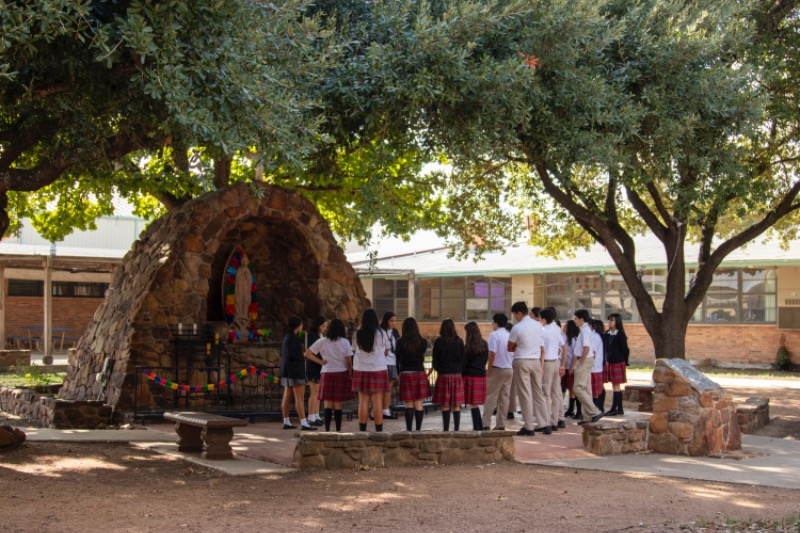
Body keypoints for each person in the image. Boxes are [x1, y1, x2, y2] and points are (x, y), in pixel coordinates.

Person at [305, 318, 352, 432]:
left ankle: (327, 429)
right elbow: (348, 361)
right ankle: (338, 429)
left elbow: (307, 353)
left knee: (327, 402)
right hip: (341, 373)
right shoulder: (345, 342)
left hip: (326, 373)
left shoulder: (322, 341)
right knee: (338, 402)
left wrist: (321, 362)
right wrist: (350, 373)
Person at [508, 301, 548, 436]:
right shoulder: (538, 325)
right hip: (535, 360)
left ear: (519, 313)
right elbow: (541, 346)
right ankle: (544, 423)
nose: (515, 317)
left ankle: (529, 426)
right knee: (538, 392)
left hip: (522, 360)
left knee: (525, 394)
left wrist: (519, 345)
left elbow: (510, 347)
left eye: (515, 314)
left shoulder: (517, 327)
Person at [351, 308, 389, 432]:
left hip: (360, 368)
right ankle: (379, 430)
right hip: (378, 368)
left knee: (363, 400)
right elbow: (387, 349)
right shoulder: (382, 333)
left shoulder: (357, 333)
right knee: (377, 401)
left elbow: (354, 349)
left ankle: (362, 430)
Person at [279, 316, 315, 430]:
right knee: (299, 397)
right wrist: (303, 356)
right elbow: (294, 355)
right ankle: (304, 422)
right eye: (301, 324)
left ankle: (286, 420)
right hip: (295, 370)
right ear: (297, 325)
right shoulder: (294, 338)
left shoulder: (286, 337)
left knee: (287, 396)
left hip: (286, 370)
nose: (302, 326)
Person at [396, 317, 431, 431]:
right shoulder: (423, 342)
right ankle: (418, 429)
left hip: (406, 373)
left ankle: (409, 429)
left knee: (408, 403)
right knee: (419, 402)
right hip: (419, 372)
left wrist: (398, 373)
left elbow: (397, 358)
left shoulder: (400, 342)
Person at [432, 318, 465, 431]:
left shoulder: (439, 342)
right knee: (456, 405)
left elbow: (435, 360)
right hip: (456, 374)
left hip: (443, 375)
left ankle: (446, 429)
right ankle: (457, 429)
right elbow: (463, 358)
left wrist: (439, 369)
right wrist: (459, 370)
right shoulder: (459, 341)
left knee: (445, 404)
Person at [481, 313, 513, 430]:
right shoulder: (510, 335)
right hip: (509, 369)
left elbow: (492, 353)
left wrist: (489, 369)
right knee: (504, 398)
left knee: (490, 397)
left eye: (493, 322)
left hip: (497, 369)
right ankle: (501, 424)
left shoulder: (494, 335)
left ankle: (486, 423)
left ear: (496, 323)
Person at [572, 309, 603, 424]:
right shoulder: (586, 330)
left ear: (581, 319)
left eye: (576, 318)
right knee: (586, 389)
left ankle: (594, 411)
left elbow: (587, 348)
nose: (575, 321)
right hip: (588, 360)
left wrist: (581, 362)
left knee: (578, 388)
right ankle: (588, 416)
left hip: (584, 360)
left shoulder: (585, 331)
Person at [540, 308, 566, 431]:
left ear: (544, 319)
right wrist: (562, 364)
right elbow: (564, 347)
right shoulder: (557, 328)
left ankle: (546, 422)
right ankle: (555, 421)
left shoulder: (543, 330)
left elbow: (542, 351)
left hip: (547, 363)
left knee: (545, 393)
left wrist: (540, 367)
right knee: (555, 393)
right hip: (556, 362)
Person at [463, 321, 489, 430]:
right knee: (475, 403)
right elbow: (486, 359)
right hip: (481, 375)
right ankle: (479, 426)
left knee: (473, 404)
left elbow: (464, 363)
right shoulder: (484, 344)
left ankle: (477, 427)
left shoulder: (468, 346)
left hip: (470, 375)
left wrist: (462, 375)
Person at [603, 313, 630, 416]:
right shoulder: (607, 333)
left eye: (612, 320)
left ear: (617, 322)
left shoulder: (620, 334)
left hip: (618, 361)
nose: (609, 322)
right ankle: (620, 409)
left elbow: (625, 349)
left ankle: (614, 408)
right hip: (609, 361)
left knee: (616, 385)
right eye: (609, 320)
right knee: (614, 385)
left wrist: (625, 361)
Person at [304, 316, 328, 427]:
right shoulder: (312, 336)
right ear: (317, 326)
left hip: (319, 367)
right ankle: (311, 416)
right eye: (322, 326)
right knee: (314, 392)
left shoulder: (320, 336)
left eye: (325, 326)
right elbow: (309, 353)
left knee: (318, 393)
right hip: (313, 367)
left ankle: (316, 414)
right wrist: (320, 361)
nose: (324, 328)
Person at [380, 311, 400, 420]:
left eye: (395, 321)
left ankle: (386, 409)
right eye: (391, 321)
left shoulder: (395, 332)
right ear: (386, 321)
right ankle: (376, 409)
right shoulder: (380, 331)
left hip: (392, 361)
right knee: (380, 388)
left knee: (389, 387)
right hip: (382, 362)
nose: (393, 323)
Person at [563, 319, 582, 420]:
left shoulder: (574, 340)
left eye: (566, 326)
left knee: (574, 389)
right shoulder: (565, 339)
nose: (564, 328)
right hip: (565, 366)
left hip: (572, 367)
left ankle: (578, 410)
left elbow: (575, 354)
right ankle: (571, 409)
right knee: (570, 388)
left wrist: (571, 367)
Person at [591, 319, 606, 412]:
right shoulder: (602, 336)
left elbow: (594, 352)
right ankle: (600, 406)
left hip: (596, 364)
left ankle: (597, 407)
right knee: (599, 386)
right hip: (601, 363)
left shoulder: (596, 337)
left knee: (596, 388)